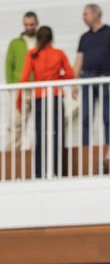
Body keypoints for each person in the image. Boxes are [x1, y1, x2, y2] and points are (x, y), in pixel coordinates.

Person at [18, 26, 73, 178]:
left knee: (40, 134)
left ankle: (39, 172)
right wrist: (56, 79)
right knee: (57, 134)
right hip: (55, 96)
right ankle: (57, 170)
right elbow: (70, 73)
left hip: (39, 97)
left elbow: (23, 78)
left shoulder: (32, 54)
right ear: (51, 38)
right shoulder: (59, 53)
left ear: (37, 38)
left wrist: (19, 100)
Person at [74, 4, 110, 168]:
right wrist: (75, 82)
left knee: (107, 116)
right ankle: (86, 149)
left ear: (96, 14)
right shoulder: (84, 37)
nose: (83, 17)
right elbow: (79, 60)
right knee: (86, 117)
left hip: (106, 78)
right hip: (87, 79)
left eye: (85, 14)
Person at [5, 11, 39, 149]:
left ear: (36, 24)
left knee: (37, 122)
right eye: (26, 24)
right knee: (16, 122)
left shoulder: (41, 41)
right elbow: (9, 65)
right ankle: (12, 152)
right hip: (21, 89)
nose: (29, 27)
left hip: (38, 88)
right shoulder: (15, 43)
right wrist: (12, 86)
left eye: (31, 24)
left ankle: (34, 151)